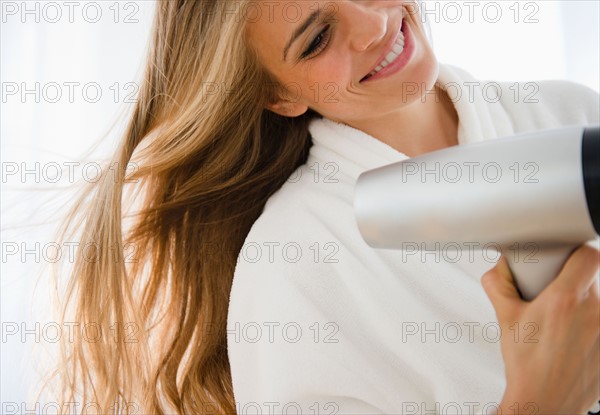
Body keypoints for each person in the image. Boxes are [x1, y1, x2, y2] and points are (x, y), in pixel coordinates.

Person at [50, 1, 599, 414]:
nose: (372, 23)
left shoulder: (571, 112)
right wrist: (539, 402)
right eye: (316, 38)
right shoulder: (290, 265)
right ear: (280, 95)